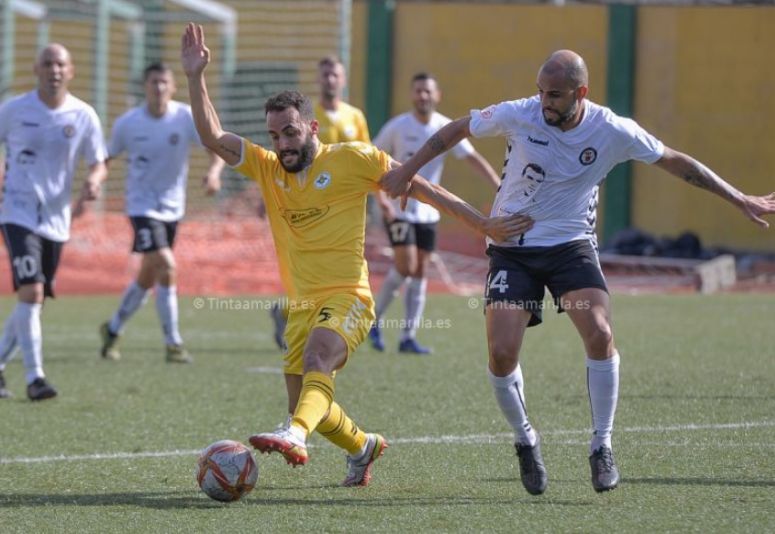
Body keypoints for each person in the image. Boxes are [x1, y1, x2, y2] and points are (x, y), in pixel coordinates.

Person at [382, 50, 775, 495]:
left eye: (554, 95)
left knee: (598, 331)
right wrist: (407, 169)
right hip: (512, 248)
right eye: (540, 92)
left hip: (570, 248)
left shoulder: (612, 129)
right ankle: (525, 439)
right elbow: (456, 129)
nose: (543, 102)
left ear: (582, 93)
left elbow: (677, 162)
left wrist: (738, 198)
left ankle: (601, 445)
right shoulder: (521, 113)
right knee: (501, 352)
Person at [181, 23, 531, 486]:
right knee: (306, 397)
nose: (282, 144)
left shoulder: (353, 159)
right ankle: (362, 446)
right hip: (302, 304)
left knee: (317, 364)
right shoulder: (267, 168)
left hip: (349, 295)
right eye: (274, 136)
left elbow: (425, 189)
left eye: (289, 133)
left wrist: (483, 225)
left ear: (310, 127)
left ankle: (295, 434)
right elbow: (211, 136)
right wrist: (194, 77)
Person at [0, 44, 107, 400]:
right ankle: (35, 379)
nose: (54, 70)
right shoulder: (14, 110)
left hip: (56, 218)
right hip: (17, 212)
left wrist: (94, 181)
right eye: (47, 63)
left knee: (36, 299)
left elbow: (98, 161)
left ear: (71, 70)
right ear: (36, 68)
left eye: (60, 63)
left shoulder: (83, 115)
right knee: (31, 291)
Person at [98, 62, 223, 364]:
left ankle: (112, 329)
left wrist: (214, 172)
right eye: (154, 82)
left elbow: (214, 147)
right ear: (145, 86)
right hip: (141, 207)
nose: (159, 88)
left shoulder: (183, 117)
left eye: (164, 82)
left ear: (173, 86)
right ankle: (173, 343)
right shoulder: (128, 123)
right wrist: (92, 187)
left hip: (172, 208)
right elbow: (106, 157)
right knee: (166, 264)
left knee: (147, 276)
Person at [369, 72, 501, 354]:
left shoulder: (444, 127)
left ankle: (407, 336)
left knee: (418, 271)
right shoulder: (397, 126)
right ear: (411, 94)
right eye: (418, 91)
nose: (422, 96)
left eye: (427, 91)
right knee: (405, 265)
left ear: (437, 95)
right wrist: (381, 201)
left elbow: (472, 158)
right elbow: (373, 160)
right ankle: (374, 321)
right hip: (398, 209)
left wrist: (498, 186)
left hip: (429, 213)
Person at [269, 55, 371, 352]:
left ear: (343, 79)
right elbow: (283, 159)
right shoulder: (304, 118)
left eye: (334, 74)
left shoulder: (355, 117)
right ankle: (294, 311)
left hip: (341, 208)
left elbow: (367, 160)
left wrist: (384, 203)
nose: (329, 80)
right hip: (304, 204)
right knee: (308, 266)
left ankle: (289, 311)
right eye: (324, 74)